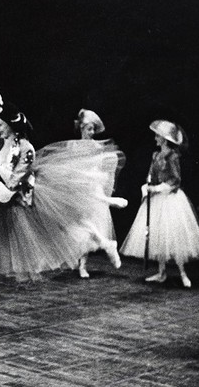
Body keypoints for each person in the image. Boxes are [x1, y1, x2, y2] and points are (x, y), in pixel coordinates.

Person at [0, 88, 126, 282]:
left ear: (10, 125)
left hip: (36, 193)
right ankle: (104, 242)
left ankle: (106, 242)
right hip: (18, 200)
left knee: (70, 221)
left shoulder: (25, 148)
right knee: (66, 228)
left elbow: (14, 182)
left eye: (0, 125)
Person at [120, 120, 199, 288]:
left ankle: (182, 273)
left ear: (164, 138)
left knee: (174, 237)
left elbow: (176, 180)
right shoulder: (155, 155)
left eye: (157, 136)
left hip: (170, 198)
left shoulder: (173, 156)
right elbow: (151, 176)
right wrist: (147, 186)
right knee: (158, 236)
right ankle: (161, 273)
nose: (155, 138)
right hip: (156, 199)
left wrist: (158, 188)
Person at [73, 109, 123, 278]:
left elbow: (102, 168)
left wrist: (104, 181)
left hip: (93, 188)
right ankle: (102, 248)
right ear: (81, 128)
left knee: (89, 224)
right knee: (81, 224)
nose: (92, 132)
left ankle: (84, 265)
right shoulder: (74, 146)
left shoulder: (96, 147)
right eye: (89, 129)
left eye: (93, 129)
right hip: (80, 188)